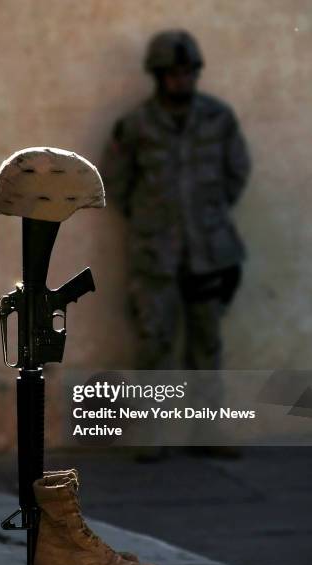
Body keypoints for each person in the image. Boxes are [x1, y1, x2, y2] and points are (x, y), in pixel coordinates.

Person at [101, 30, 251, 457]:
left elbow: (236, 171)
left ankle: (207, 433)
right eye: (173, 73)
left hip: (209, 252)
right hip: (156, 255)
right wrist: (153, 223)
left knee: (205, 344)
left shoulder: (218, 119)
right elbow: (116, 181)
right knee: (155, 343)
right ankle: (151, 434)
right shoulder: (135, 126)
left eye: (188, 72)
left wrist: (207, 215)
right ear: (158, 76)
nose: (182, 80)